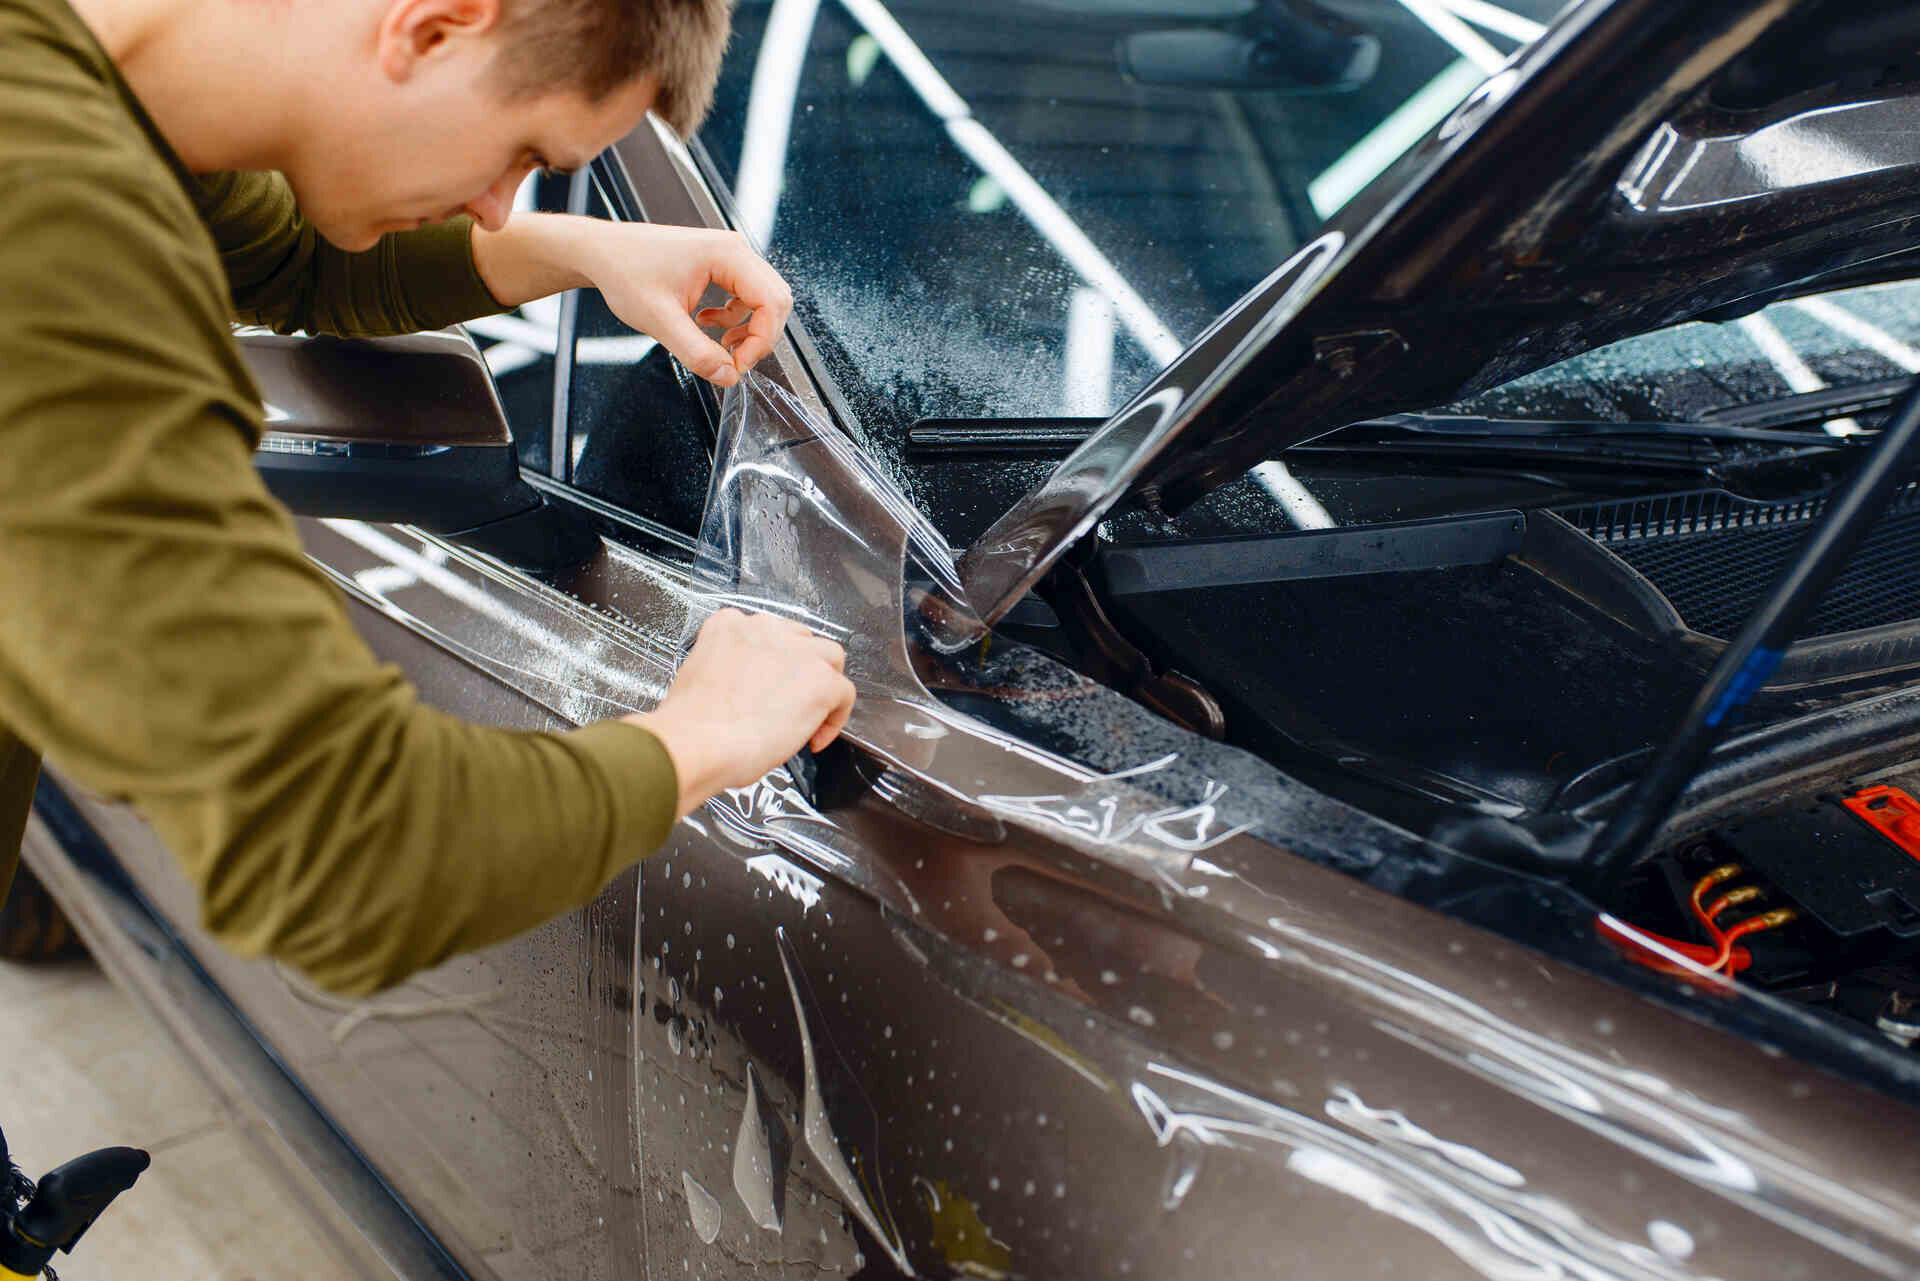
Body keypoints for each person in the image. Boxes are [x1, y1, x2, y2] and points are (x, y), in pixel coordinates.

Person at [0, 0, 858, 994]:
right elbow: (339, 854)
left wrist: (586, 251)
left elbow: (296, 261)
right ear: (434, 26)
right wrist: (706, 734)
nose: (499, 205)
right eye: (522, 152)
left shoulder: (102, 94)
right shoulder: (50, 219)